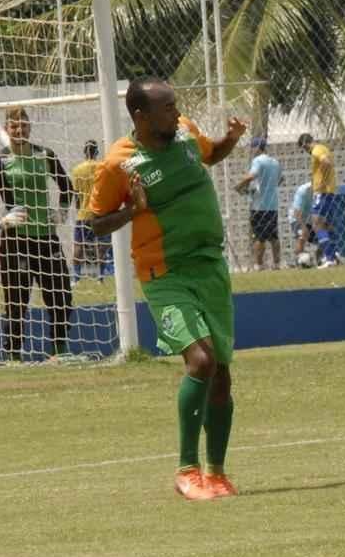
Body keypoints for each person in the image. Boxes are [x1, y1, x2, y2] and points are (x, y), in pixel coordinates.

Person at [89, 77, 247, 501]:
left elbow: (211, 155)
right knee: (201, 361)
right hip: (164, 273)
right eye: (167, 108)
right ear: (140, 116)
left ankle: (216, 473)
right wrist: (132, 211)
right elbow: (94, 223)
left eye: (176, 106)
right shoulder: (118, 164)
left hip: (210, 267)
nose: (176, 113)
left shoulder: (187, 134)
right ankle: (186, 470)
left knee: (222, 374)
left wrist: (230, 139)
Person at [0, 107, 75, 363]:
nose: (19, 130)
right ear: (7, 129)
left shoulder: (45, 155)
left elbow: (67, 187)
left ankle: (59, 351)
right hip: (16, 243)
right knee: (17, 301)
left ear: (29, 127)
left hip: (47, 239)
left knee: (61, 295)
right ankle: (13, 356)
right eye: (14, 127)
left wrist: (62, 212)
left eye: (23, 125)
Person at [234, 135, 282, 270]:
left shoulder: (258, 161)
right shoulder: (275, 162)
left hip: (259, 206)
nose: (251, 150)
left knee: (259, 237)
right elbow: (281, 179)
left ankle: (258, 265)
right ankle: (277, 264)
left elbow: (251, 176)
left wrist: (239, 186)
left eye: (252, 147)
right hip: (273, 205)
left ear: (256, 148)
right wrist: (269, 187)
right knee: (274, 236)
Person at [70, 140, 112, 283]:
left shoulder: (77, 170)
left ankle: (75, 279)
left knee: (78, 247)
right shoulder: (102, 167)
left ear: (84, 152)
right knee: (102, 247)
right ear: (96, 152)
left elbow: (76, 194)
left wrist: (79, 210)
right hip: (100, 213)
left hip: (83, 214)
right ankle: (100, 278)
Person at [297, 132, 340, 268]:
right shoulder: (323, 148)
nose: (305, 151)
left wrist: (321, 183)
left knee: (316, 224)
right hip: (329, 192)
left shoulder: (316, 150)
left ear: (305, 144)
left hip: (322, 193)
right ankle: (333, 256)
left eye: (304, 149)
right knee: (327, 225)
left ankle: (329, 258)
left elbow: (326, 163)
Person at [288, 179, 314, 266]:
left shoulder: (324, 189)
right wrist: (303, 227)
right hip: (297, 218)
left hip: (311, 217)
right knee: (302, 235)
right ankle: (298, 260)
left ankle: (322, 259)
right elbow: (296, 213)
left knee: (322, 236)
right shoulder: (303, 190)